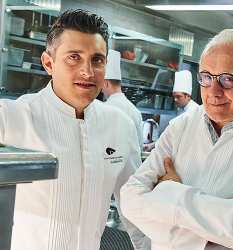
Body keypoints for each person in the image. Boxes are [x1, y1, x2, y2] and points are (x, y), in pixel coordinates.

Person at [120, 27, 233, 250]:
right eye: (206, 77)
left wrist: (168, 193)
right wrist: (218, 228)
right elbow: (129, 200)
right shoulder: (181, 126)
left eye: (227, 79)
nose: (213, 91)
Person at [0, 10, 146, 250]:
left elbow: (135, 206)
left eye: (97, 59)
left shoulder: (119, 125)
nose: (87, 72)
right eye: (74, 57)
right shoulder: (11, 117)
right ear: (49, 63)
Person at [102, 49, 143, 149]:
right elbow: (139, 146)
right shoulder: (135, 111)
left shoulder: (104, 109)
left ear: (106, 83)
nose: (101, 90)